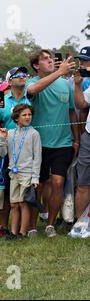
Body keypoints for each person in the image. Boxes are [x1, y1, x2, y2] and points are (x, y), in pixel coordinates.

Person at [26, 49, 77, 237]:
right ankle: (31, 225)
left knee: (57, 182)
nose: (50, 61)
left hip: (63, 143)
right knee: (37, 185)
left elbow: (72, 112)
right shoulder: (32, 82)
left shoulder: (66, 85)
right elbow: (32, 91)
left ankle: (50, 225)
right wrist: (59, 72)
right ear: (36, 66)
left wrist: (76, 138)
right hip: (38, 143)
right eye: (45, 59)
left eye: (51, 59)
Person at [0, 66, 31, 236]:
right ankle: (3, 226)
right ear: (9, 81)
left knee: (24, 190)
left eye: (24, 75)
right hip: (6, 150)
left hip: (26, 151)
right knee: (5, 190)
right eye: (17, 75)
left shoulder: (32, 98)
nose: (22, 77)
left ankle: (25, 227)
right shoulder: (3, 101)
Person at [0, 104, 42, 239]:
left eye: (29, 115)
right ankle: (13, 232)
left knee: (23, 203)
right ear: (16, 117)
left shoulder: (34, 133)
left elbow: (37, 157)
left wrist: (35, 177)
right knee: (14, 204)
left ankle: (22, 232)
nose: (28, 117)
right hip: (13, 173)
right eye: (24, 115)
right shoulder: (10, 133)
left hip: (27, 174)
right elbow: (2, 153)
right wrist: (2, 139)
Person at [74, 46, 90, 219]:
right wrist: (77, 85)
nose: (82, 65)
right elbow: (81, 104)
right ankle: (80, 224)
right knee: (83, 183)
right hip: (88, 136)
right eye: (81, 61)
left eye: (86, 61)